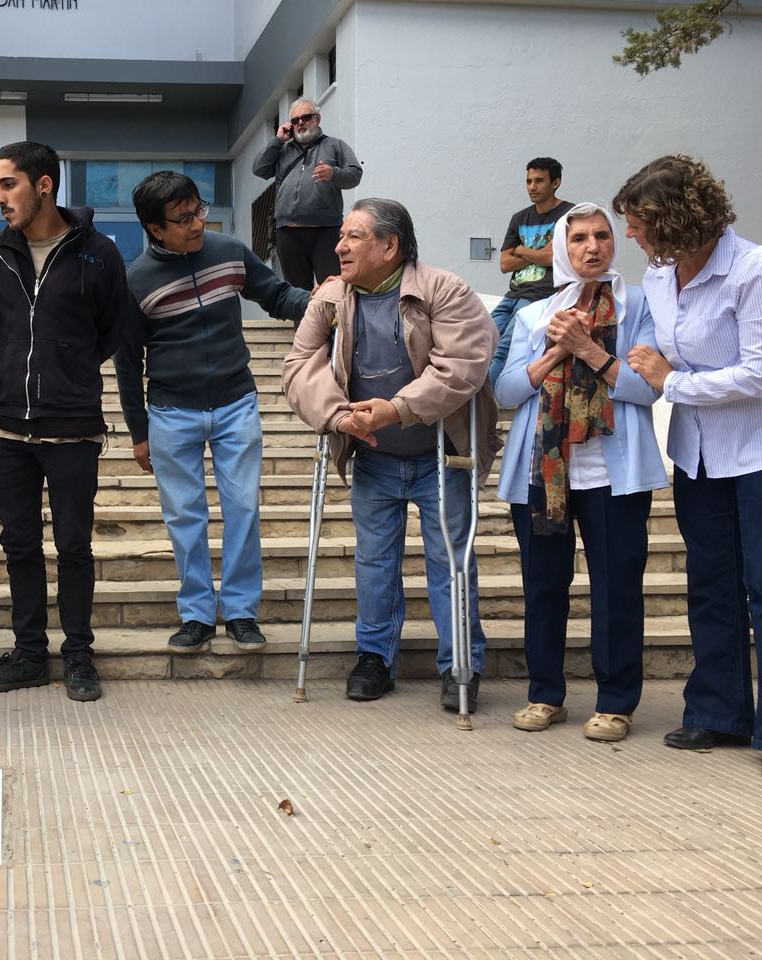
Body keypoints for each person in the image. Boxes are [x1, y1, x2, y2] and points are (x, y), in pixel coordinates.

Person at [282, 198, 499, 709]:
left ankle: (460, 664)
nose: (339, 246)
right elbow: (299, 366)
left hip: (442, 455)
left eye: (353, 236)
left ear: (390, 245)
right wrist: (338, 416)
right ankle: (374, 658)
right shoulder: (331, 298)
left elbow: (463, 365)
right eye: (341, 236)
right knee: (374, 562)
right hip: (374, 457)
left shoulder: (443, 290)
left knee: (450, 561)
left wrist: (395, 409)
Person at [494, 203, 667, 742]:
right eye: (579, 239)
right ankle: (545, 695)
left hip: (614, 476)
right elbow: (505, 391)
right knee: (543, 586)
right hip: (544, 471)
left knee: (617, 588)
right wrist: (553, 351)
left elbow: (648, 389)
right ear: (562, 250)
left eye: (602, 236)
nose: (592, 247)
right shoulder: (533, 314)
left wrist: (588, 349)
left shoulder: (638, 306)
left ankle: (615, 702)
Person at [117, 171, 308, 653]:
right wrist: (139, 431)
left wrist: (321, 303)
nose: (197, 223)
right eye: (183, 219)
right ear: (155, 228)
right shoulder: (135, 281)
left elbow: (277, 295)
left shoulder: (229, 252)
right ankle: (197, 614)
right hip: (170, 411)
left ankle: (241, 611)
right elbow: (127, 362)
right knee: (185, 516)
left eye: (198, 210)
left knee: (243, 508)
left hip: (235, 401)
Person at [0, 141, 127, 703]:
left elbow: (112, 330)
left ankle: (78, 654)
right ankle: (30, 655)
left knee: (74, 546)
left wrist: (69, 369)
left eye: (7, 184)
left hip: (73, 426)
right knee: (19, 544)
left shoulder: (98, 253)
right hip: (6, 426)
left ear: (43, 185)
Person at [615, 155, 762, 753]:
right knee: (709, 584)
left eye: (637, 221)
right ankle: (719, 713)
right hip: (697, 455)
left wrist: (672, 381)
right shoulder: (658, 277)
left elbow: (757, 373)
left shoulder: (751, 270)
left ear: (674, 218)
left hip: (754, 453)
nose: (629, 233)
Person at [251, 97, 362, 294]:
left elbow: (354, 175)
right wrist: (277, 140)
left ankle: (333, 317)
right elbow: (259, 169)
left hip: (325, 230)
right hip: (287, 232)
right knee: (297, 294)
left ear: (317, 118)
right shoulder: (282, 149)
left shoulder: (335, 146)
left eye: (306, 117)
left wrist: (333, 173)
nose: (300, 123)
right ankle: (303, 317)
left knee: (332, 290)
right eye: (295, 120)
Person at [489, 158, 573, 386]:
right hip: (513, 295)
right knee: (483, 341)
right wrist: (539, 253)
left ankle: (485, 401)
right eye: (529, 181)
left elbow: (555, 258)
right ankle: (479, 398)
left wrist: (521, 250)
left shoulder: (568, 215)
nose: (532, 187)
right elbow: (505, 264)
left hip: (542, 295)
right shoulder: (519, 218)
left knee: (504, 348)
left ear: (555, 182)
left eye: (539, 181)